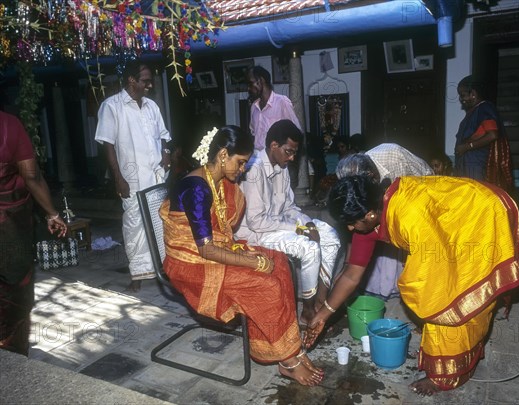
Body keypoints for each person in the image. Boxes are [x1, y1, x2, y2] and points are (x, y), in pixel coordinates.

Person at [304, 175, 519, 396]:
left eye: (352, 223)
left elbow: (432, 270)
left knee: (446, 294)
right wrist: (323, 315)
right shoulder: (369, 213)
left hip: (482, 214)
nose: (351, 230)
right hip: (464, 210)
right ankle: (441, 347)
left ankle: (446, 375)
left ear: (371, 214)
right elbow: (352, 273)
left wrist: (421, 296)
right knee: (437, 292)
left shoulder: (408, 215)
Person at [160, 126, 323, 386]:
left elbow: (222, 235)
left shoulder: (219, 180)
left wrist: (255, 258)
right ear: (223, 155)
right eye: (241, 162)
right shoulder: (196, 187)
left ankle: (287, 349)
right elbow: (205, 249)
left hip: (217, 250)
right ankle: (288, 361)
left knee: (279, 262)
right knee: (265, 284)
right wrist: (252, 261)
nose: (243, 169)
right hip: (191, 263)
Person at [236, 120, 341, 325]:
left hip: (277, 224)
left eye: (294, 153)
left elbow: (289, 207)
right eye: (288, 151)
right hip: (256, 234)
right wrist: (298, 229)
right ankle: (308, 311)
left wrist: (307, 223)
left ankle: (320, 300)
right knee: (309, 247)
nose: (292, 158)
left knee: (330, 235)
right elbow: (257, 222)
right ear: (273, 145)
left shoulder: (281, 165)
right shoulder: (254, 169)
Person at [95, 60, 171, 292]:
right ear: (131, 80)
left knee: (160, 223)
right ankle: (137, 275)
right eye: (146, 81)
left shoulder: (151, 106)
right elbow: (107, 144)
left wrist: (166, 153)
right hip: (131, 178)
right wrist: (118, 177)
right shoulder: (112, 106)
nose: (150, 85)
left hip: (157, 175)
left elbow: (164, 134)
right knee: (134, 226)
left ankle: (163, 269)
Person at [0, 111, 67, 356]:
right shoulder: (8, 125)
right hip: (9, 225)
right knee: (15, 286)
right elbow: (31, 175)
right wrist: (52, 213)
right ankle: (10, 346)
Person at [335, 143, 433, 299]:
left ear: (372, 177)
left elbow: (422, 187)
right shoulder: (355, 173)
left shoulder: (395, 160)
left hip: (423, 189)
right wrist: (348, 265)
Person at [454, 75, 513, 191]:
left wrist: (466, 147)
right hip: (468, 165)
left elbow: (492, 134)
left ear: (473, 94)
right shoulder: (474, 111)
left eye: (463, 95)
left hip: (476, 166)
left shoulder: (484, 108)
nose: (461, 99)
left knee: (477, 196)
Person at [246, 66, 301, 151]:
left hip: (275, 160)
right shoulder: (254, 107)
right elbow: (253, 133)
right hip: (257, 158)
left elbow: (296, 132)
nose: (248, 88)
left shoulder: (282, 102)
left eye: (250, 83)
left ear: (261, 80)